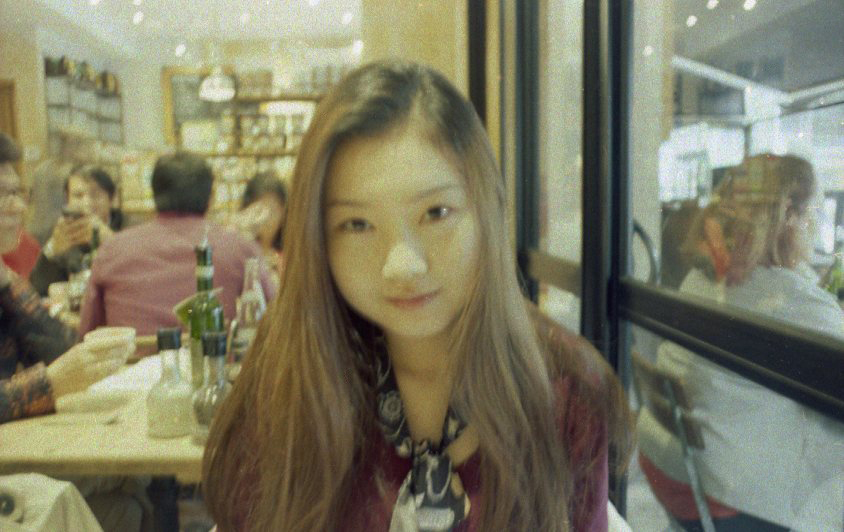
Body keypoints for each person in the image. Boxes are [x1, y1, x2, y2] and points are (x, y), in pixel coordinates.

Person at [202, 61, 633, 531]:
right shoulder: (288, 373)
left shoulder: (565, 390)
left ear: (486, 211)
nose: (402, 265)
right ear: (317, 238)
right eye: (357, 224)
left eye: (436, 212)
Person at [637, 154, 844, 531]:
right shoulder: (797, 302)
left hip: (665, 460)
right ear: (789, 218)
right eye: (811, 214)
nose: (813, 227)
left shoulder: (700, 278)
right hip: (719, 495)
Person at [78, 152, 275, 337]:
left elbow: (86, 334)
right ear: (211, 197)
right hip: (212, 361)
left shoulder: (112, 250)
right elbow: (276, 319)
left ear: (154, 194)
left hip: (132, 362)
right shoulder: (240, 248)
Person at [29, 165, 123, 296]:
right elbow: (37, 290)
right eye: (78, 196)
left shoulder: (131, 229)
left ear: (112, 199)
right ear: (67, 199)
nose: (87, 203)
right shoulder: (59, 231)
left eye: (95, 195)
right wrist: (52, 251)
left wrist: (112, 242)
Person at [233, 171, 286, 280]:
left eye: (273, 211)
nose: (266, 219)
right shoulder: (240, 251)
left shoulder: (288, 257)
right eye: (259, 211)